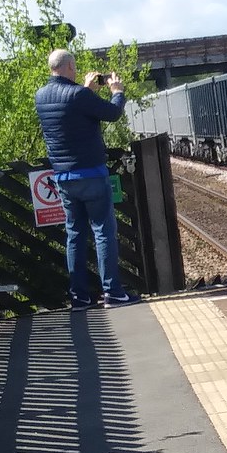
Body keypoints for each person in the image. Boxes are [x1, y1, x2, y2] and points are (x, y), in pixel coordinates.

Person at [34, 49, 141, 309]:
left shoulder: (41, 96)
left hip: (63, 177)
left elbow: (70, 113)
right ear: (70, 66)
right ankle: (113, 292)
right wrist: (117, 91)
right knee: (103, 232)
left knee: (75, 234)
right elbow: (111, 113)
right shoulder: (79, 95)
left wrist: (86, 90)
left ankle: (79, 296)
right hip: (91, 174)